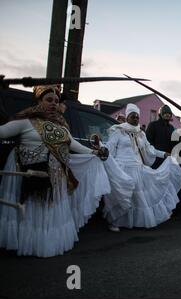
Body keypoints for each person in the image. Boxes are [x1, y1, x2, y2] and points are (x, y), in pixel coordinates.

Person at [0, 85, 118, 257]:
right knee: (35, 207)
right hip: (32, 171)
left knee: (48, 209)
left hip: (55, 174)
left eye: (56, 101)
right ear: (39, 101)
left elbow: (74, 145)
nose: (54, 103)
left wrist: (95, 152)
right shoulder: (26, 121)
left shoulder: (61, 126)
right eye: (49, 100)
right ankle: (30, 243)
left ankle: (45, 243)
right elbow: (2, 132)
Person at [103, 104, 181, 232]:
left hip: (137, 168)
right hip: (122, 168)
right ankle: (114, 221)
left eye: (137, 116)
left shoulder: (141, 133)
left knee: (137, 198)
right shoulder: (118, 130)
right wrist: (102, 151)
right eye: (132, 116)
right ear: (127, 116)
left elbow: (149, 149)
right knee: (123, 195)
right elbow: (110, 147)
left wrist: (163, 153)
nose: (135, 118)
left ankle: (132, 221)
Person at [145, 104, 176, 169]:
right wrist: (156, 153)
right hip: (155, 158)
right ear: (161, 114)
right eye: (165, 113)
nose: (167, 115)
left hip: (167, 158)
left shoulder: (171, 127)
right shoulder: (153, 125)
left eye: (169, 113)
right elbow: (148, 142)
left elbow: (173, 143)